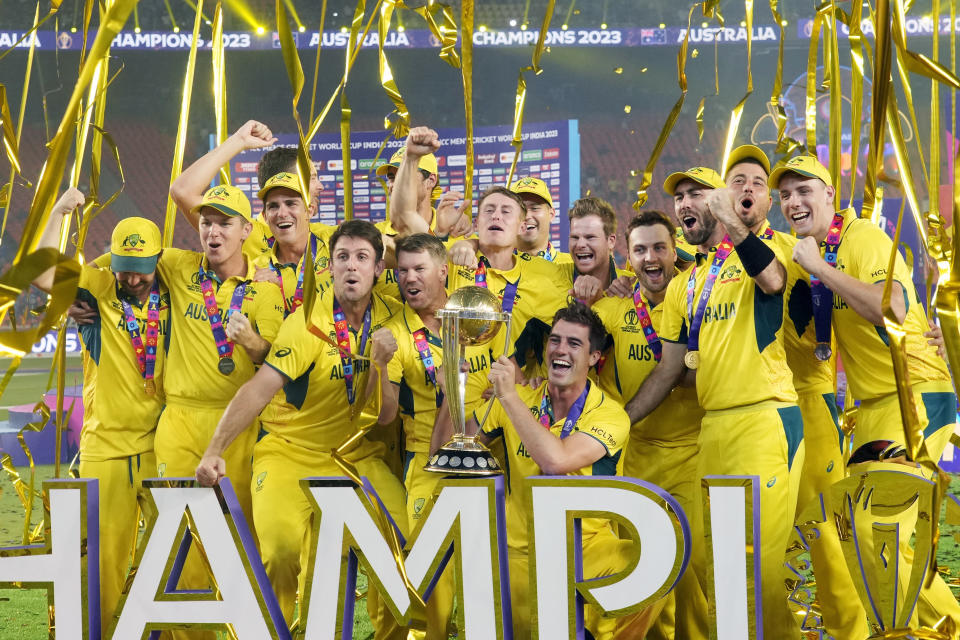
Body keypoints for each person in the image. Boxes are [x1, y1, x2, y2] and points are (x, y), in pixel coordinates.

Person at [773, 154, 960, 630]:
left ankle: (948, 626)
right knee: (863, 532)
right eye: (786, 195)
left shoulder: (864, 238)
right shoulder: (819, 253)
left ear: (830, 194)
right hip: (877, 406)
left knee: (882, 528)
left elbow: (894, 308)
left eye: (804, 191)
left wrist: (819, 266)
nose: (793, 202)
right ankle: (922, 626)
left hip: (916, 395)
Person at [195, 220, 407, 639]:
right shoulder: (308, 320)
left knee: (403, 544)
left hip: (355, 456)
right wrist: (213, 449)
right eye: (341, 257)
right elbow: (259, 389)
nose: (351, 267)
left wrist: (380, 364)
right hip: (290, 450)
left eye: (362, 258)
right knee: (279, 552)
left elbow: (385, 418)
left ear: (379, 269)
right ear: (328, 266)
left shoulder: (392, 320)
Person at [624, 166, 804, 638]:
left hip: (765, 416)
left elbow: (773, 281)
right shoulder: (686, 283)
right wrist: (620, 423)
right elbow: (669, 369)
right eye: (679, 196)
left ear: (721, 199)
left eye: (697, 194)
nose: (685, 203)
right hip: (713, 428)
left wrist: (736, 223)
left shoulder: (767, 248)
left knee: (757, 568)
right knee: (716, 567)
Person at [433, 303, 656, 640]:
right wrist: (453, 390)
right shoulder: (521, 398)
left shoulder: (610, 415)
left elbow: (556, 460)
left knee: (652, 573)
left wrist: (509, 397)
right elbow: (443, 453)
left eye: (574, 344)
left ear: (595, 357)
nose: (560, 350)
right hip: (519, 553)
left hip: (588, 551)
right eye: (555, 340)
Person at [722, 145, 867, 638]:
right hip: (753, 416)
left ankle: (852, 630)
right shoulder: (711, 262)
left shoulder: (791, 248)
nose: (747, 190)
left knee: (827, 534)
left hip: (809, 404)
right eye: (736, 181)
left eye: (758, 184)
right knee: (758, 541)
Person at [34, 189, 169, 638]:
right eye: (124, 271)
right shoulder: (94, 288)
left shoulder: (178, 289)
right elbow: (41, 272)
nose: (131, 281)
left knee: (176, 560)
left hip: (164, 446)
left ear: (159, 260)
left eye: (141, 271)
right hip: (106, 448)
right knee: (100, 565)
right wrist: (58, 212)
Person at [591, 210, 707, 640]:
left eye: (660, 247)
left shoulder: (700, 298)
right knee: (643, 566)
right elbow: (572, 350)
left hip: (693, 453)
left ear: (676, 249)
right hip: (636, 456)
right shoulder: (611, 309)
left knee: (694, 565)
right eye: (640, 250)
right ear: (627, 256)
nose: (651, 258)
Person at [380, 233, 495, 639]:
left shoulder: (479, 310)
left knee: (492, 571)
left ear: (444, 271)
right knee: (434, 583)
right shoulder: (394, 334)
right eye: (403, 271)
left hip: (494, 458)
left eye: (419, 269)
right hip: (428, 464)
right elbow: (384, 413)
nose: (409, 278)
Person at [391, 126, 570, 376]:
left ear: (521, 226)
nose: (496, 215)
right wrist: (410, 159)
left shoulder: (544, 275)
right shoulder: (450, 256)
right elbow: (403, 217)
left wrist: (541, 381)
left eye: (506, 211)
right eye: (488, 210)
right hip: (451, 393)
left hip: (504, 402)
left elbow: (576, 332)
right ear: (476, 224)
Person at [509, 176, 571, 263]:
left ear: (551, 214)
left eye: (534, 208)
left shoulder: (572, 267)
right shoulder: (491, 269)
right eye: (520, 209)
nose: (526, 216)